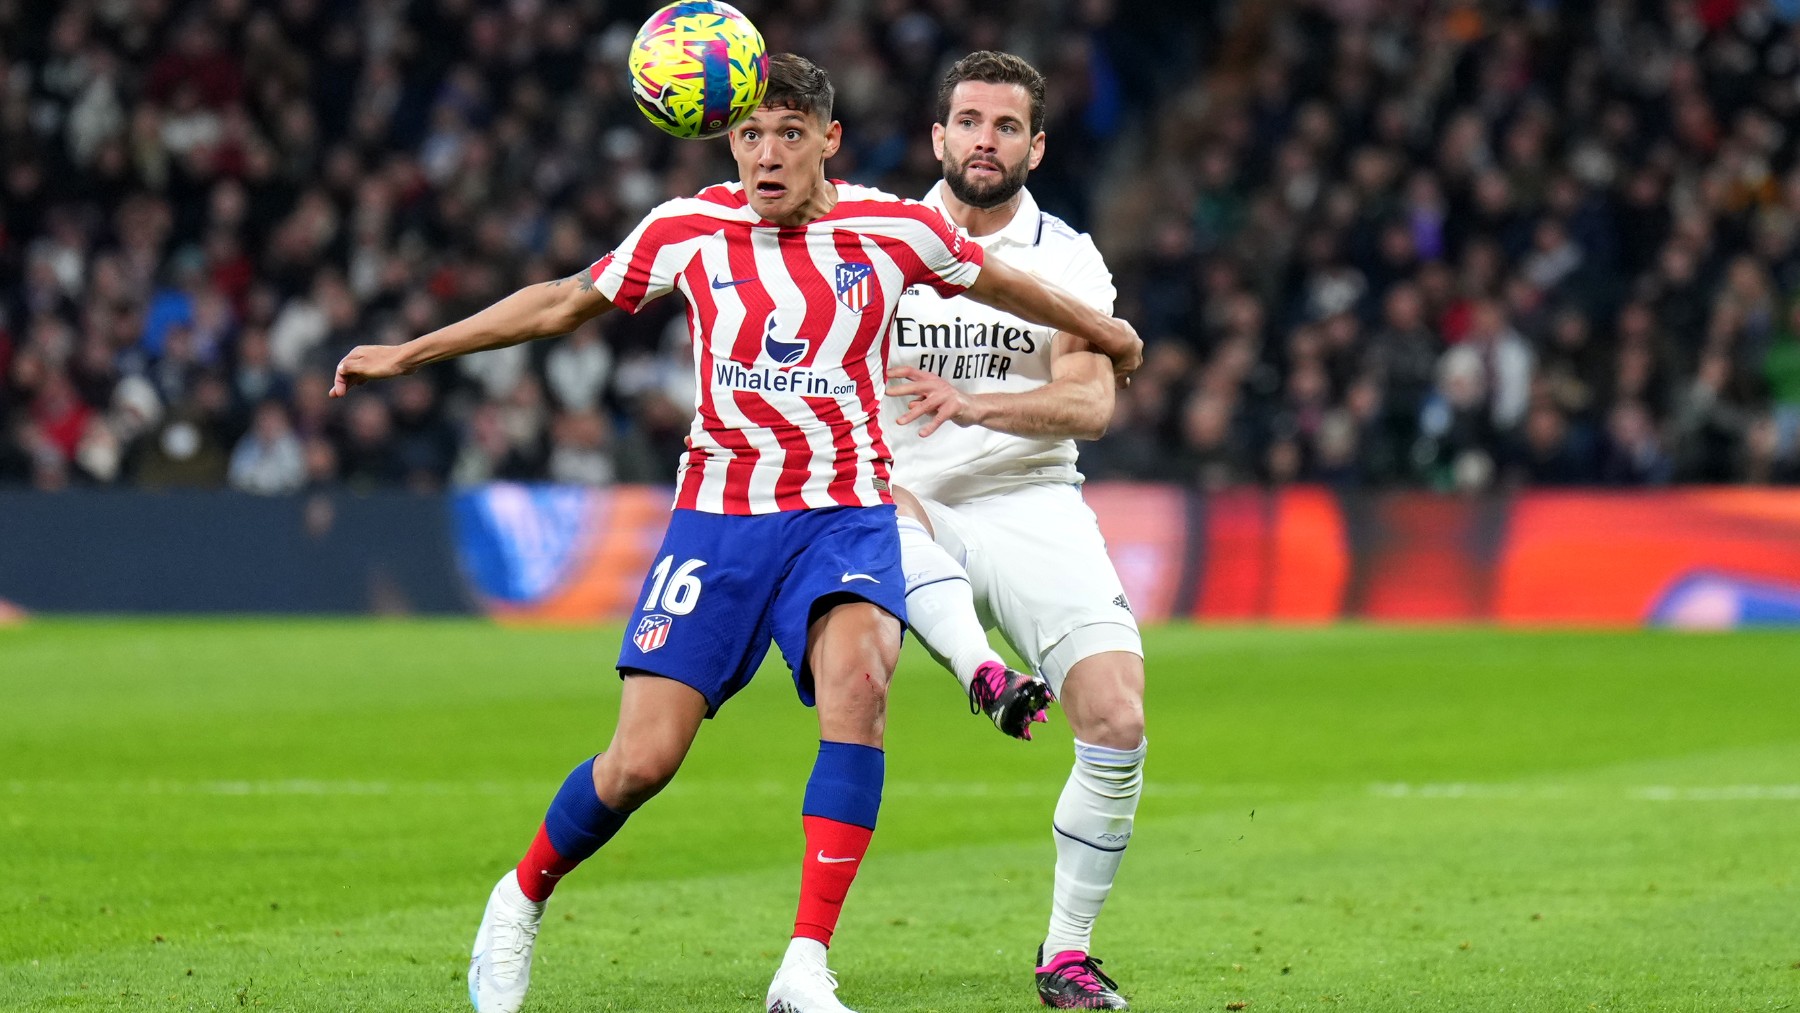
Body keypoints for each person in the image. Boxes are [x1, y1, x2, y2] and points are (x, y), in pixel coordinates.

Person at [330, 54, 1141, 1013]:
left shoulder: (892, 228)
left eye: (789, 135)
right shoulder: (687, 228)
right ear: (726, 138)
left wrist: (1113, 335)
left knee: (861, 686)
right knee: (642, 761)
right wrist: (412, 351)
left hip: (842, 512)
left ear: (827, 141)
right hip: (719, 521)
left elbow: (1006, 286)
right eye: (750, 135)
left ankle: (804, 963)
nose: (767, 155)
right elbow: (561, 300)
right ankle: (520, 894)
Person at [880, 51, 1147, 1010]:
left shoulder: (1068, 258)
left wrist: (977, 405)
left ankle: (1066, 955)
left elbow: (1090, 403)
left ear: (1035, 146)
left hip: (1030, 497)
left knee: (1118, 719)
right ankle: (979, 670)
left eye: (1004, 126)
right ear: (938, 135)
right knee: (878, 509)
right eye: (968, 120)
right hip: (900, 494)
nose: (982, 140)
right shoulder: (876, 238)